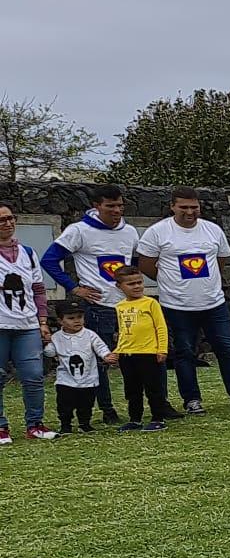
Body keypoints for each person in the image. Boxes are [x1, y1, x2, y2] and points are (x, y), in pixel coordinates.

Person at [133, 188, 230, 414]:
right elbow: (146, 264)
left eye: (194, 207)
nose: (190, 212)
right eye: (184, 207)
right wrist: (169, 281)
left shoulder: (212, 230)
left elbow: (221, 260)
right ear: (172, 206)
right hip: (177, 305)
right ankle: (192, 400)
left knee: (227, 349)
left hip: (214, 304)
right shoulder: (158, 232)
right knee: (184, 353)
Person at [42, 184, 138, 423]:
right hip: (99, 307)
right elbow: (49, 260)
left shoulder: (130, 232)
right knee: (101, 360)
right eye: (111, 206)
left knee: (135, 357)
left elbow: (133, 264)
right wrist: (74, 287)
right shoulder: (80, 230)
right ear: (97, 206)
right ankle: (107, 409)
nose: (117, 210)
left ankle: (138, 405)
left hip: (128, 306)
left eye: (120, 205)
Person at [0, 202, 56, 442]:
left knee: (33, 375)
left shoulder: (28, 253)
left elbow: (38, 288)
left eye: (10, 218)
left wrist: (42, 320)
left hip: (27, 325)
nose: (8, 223)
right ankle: (1, 427)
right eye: (2, 220)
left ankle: (35, 424)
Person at [111, 266, 170, 431]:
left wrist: (162, 349)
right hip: (128, 355)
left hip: (149, 353)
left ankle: (158, 418)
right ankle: (135, 419)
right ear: (119, 286)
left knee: (153, 388)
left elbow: (161, 327)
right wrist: (117, 350)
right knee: (132, 390)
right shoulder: (120, 307)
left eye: (139, 282)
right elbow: (123, 331)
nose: (136, 286)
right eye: (131, 284)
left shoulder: (151, 303)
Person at [45, 300, 113, 434]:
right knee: (64, 405)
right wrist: (46, 343)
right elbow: (50, 352)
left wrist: (106, 356)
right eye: (71, 318)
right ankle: (66, 425)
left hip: (88, 379)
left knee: (86, 404)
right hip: (66, 379)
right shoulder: (57, 337)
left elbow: (100, 347)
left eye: (79, 317)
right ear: (60, 321)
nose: (76, 321)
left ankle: (84, 423)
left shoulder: (90, 335)